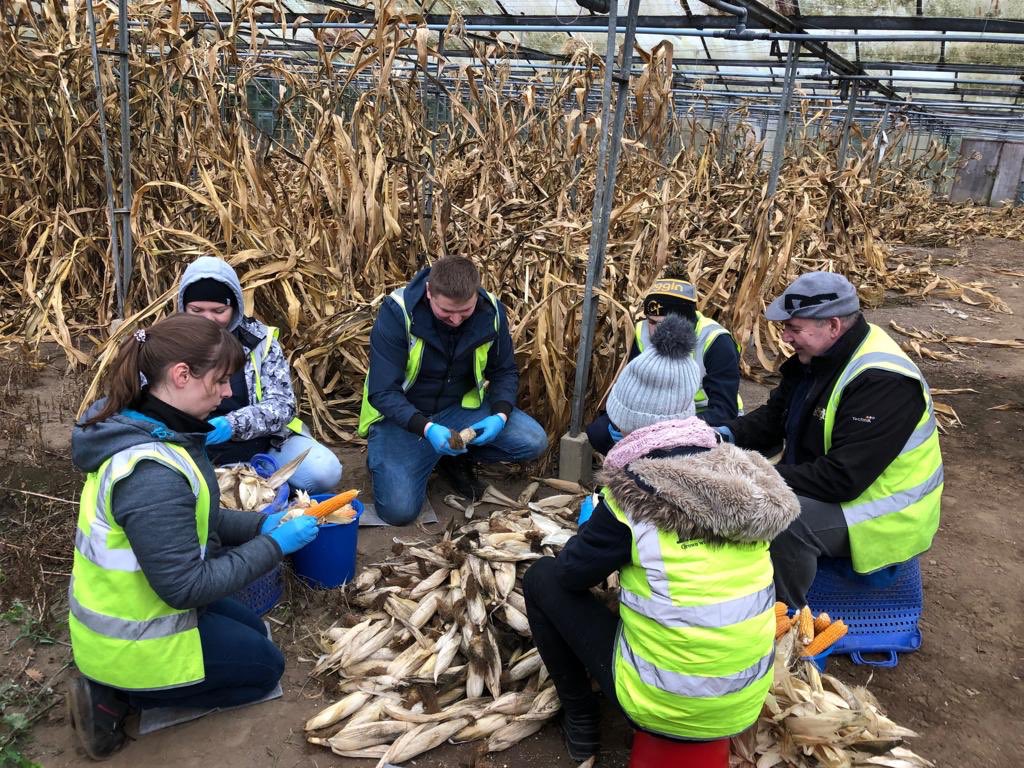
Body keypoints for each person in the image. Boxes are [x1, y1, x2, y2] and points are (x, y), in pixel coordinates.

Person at [523, 315, 800, 760]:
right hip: (744, 700)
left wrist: (600, 531)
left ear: (626, 420)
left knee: (543, 581)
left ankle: (580, 713)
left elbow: (573, 575)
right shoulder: (748, 480)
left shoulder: (634, 495)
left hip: (660, 705)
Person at [66, 314, 320, 760]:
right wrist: (277, 546)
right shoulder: (149, 473)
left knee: (254, 631)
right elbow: (186, 587)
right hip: (134, 635)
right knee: (266, 670)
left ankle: (122, 681)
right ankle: (115, 697)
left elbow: (201, 515)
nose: (227, 394)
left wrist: (262, 525)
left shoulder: (156, 425)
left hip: (143, 601)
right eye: (221, 382)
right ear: (181, 375)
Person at [717, 271, 943, 607]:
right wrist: (719, 436)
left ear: (833, 326)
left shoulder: (883, 382)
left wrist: (746, 471)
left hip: (886, 513)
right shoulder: (818, 358)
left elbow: (842, 479)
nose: (786, 338)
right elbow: (772, 419)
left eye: (793, 329)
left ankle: (783, 620)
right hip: (842, 484)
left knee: (783, 522)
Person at [358, 256, 548, 525]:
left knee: (533, 440)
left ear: (476, 295)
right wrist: (426, 428)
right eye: (446, 312)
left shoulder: (491, 311)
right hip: (404, 419)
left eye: (465, 311)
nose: (456, 320)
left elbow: (504, 371)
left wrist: (501, 415)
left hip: (459, 410)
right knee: (398, 512)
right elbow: (382, 392)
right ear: (429, 293)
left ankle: (452, 458)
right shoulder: (397, 313)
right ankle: (395, 458)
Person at [177, 255, 342, 493]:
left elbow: (283, 405)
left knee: (324, 471)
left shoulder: (260, 341)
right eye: (196, 310)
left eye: (218, 310)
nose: (208, 319)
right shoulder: (166, 343)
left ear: (234, 307)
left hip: (263, 443)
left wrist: (231, 425)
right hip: (192, 447)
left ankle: (265, 482)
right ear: (183, 307)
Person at [585, 277, 742, 454]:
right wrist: (624, 420)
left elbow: (725, 410)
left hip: (706, 416)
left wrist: (666, 430)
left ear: (685, 321)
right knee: (599, 432)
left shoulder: (716, 341)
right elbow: (633, 387)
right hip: (654, 414)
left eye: (662, 323)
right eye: (650, 321)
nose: (653, 331)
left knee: (673, 452)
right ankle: (625, 470)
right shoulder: (642, 331)